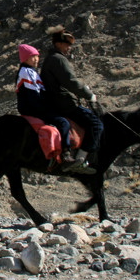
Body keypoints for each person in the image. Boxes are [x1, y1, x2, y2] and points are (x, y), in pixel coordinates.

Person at [15, 44, 93, 174]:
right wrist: (47, 108)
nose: (35, 59)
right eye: (31, 57)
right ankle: (66, 156)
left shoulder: (31, 71)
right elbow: (33, 96)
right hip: (33, 109)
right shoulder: (26, 72)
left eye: (36, 56)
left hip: (34, 107)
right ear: (25, 59)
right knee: (63, 122)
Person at [40, 27, 103, 174]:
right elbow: (71, 82)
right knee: (96, 124)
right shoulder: (58, 60)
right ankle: (80, 160)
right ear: (59, 44)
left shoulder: (52, 59)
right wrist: (89, 94)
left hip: (56, 102)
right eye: (67, 44)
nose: (69, 48)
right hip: (65, 104)